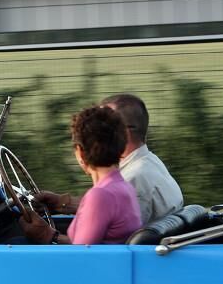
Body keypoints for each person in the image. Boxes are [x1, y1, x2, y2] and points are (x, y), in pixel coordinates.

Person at [36, 93, 183, 226]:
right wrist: (62, 203)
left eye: (104, 126)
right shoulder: (149, 163)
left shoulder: (132, 179)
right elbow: (106, 207)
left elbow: (100, 239)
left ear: (122, 132)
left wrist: (47, 236)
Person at [20, 105, 142, 245]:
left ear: (81, 152)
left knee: (15, 241)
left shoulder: (100, 195)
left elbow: (80, 253)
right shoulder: (124, 187)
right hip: (107, 258)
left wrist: (47, 235)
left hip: (94, 260)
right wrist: (62, 203)